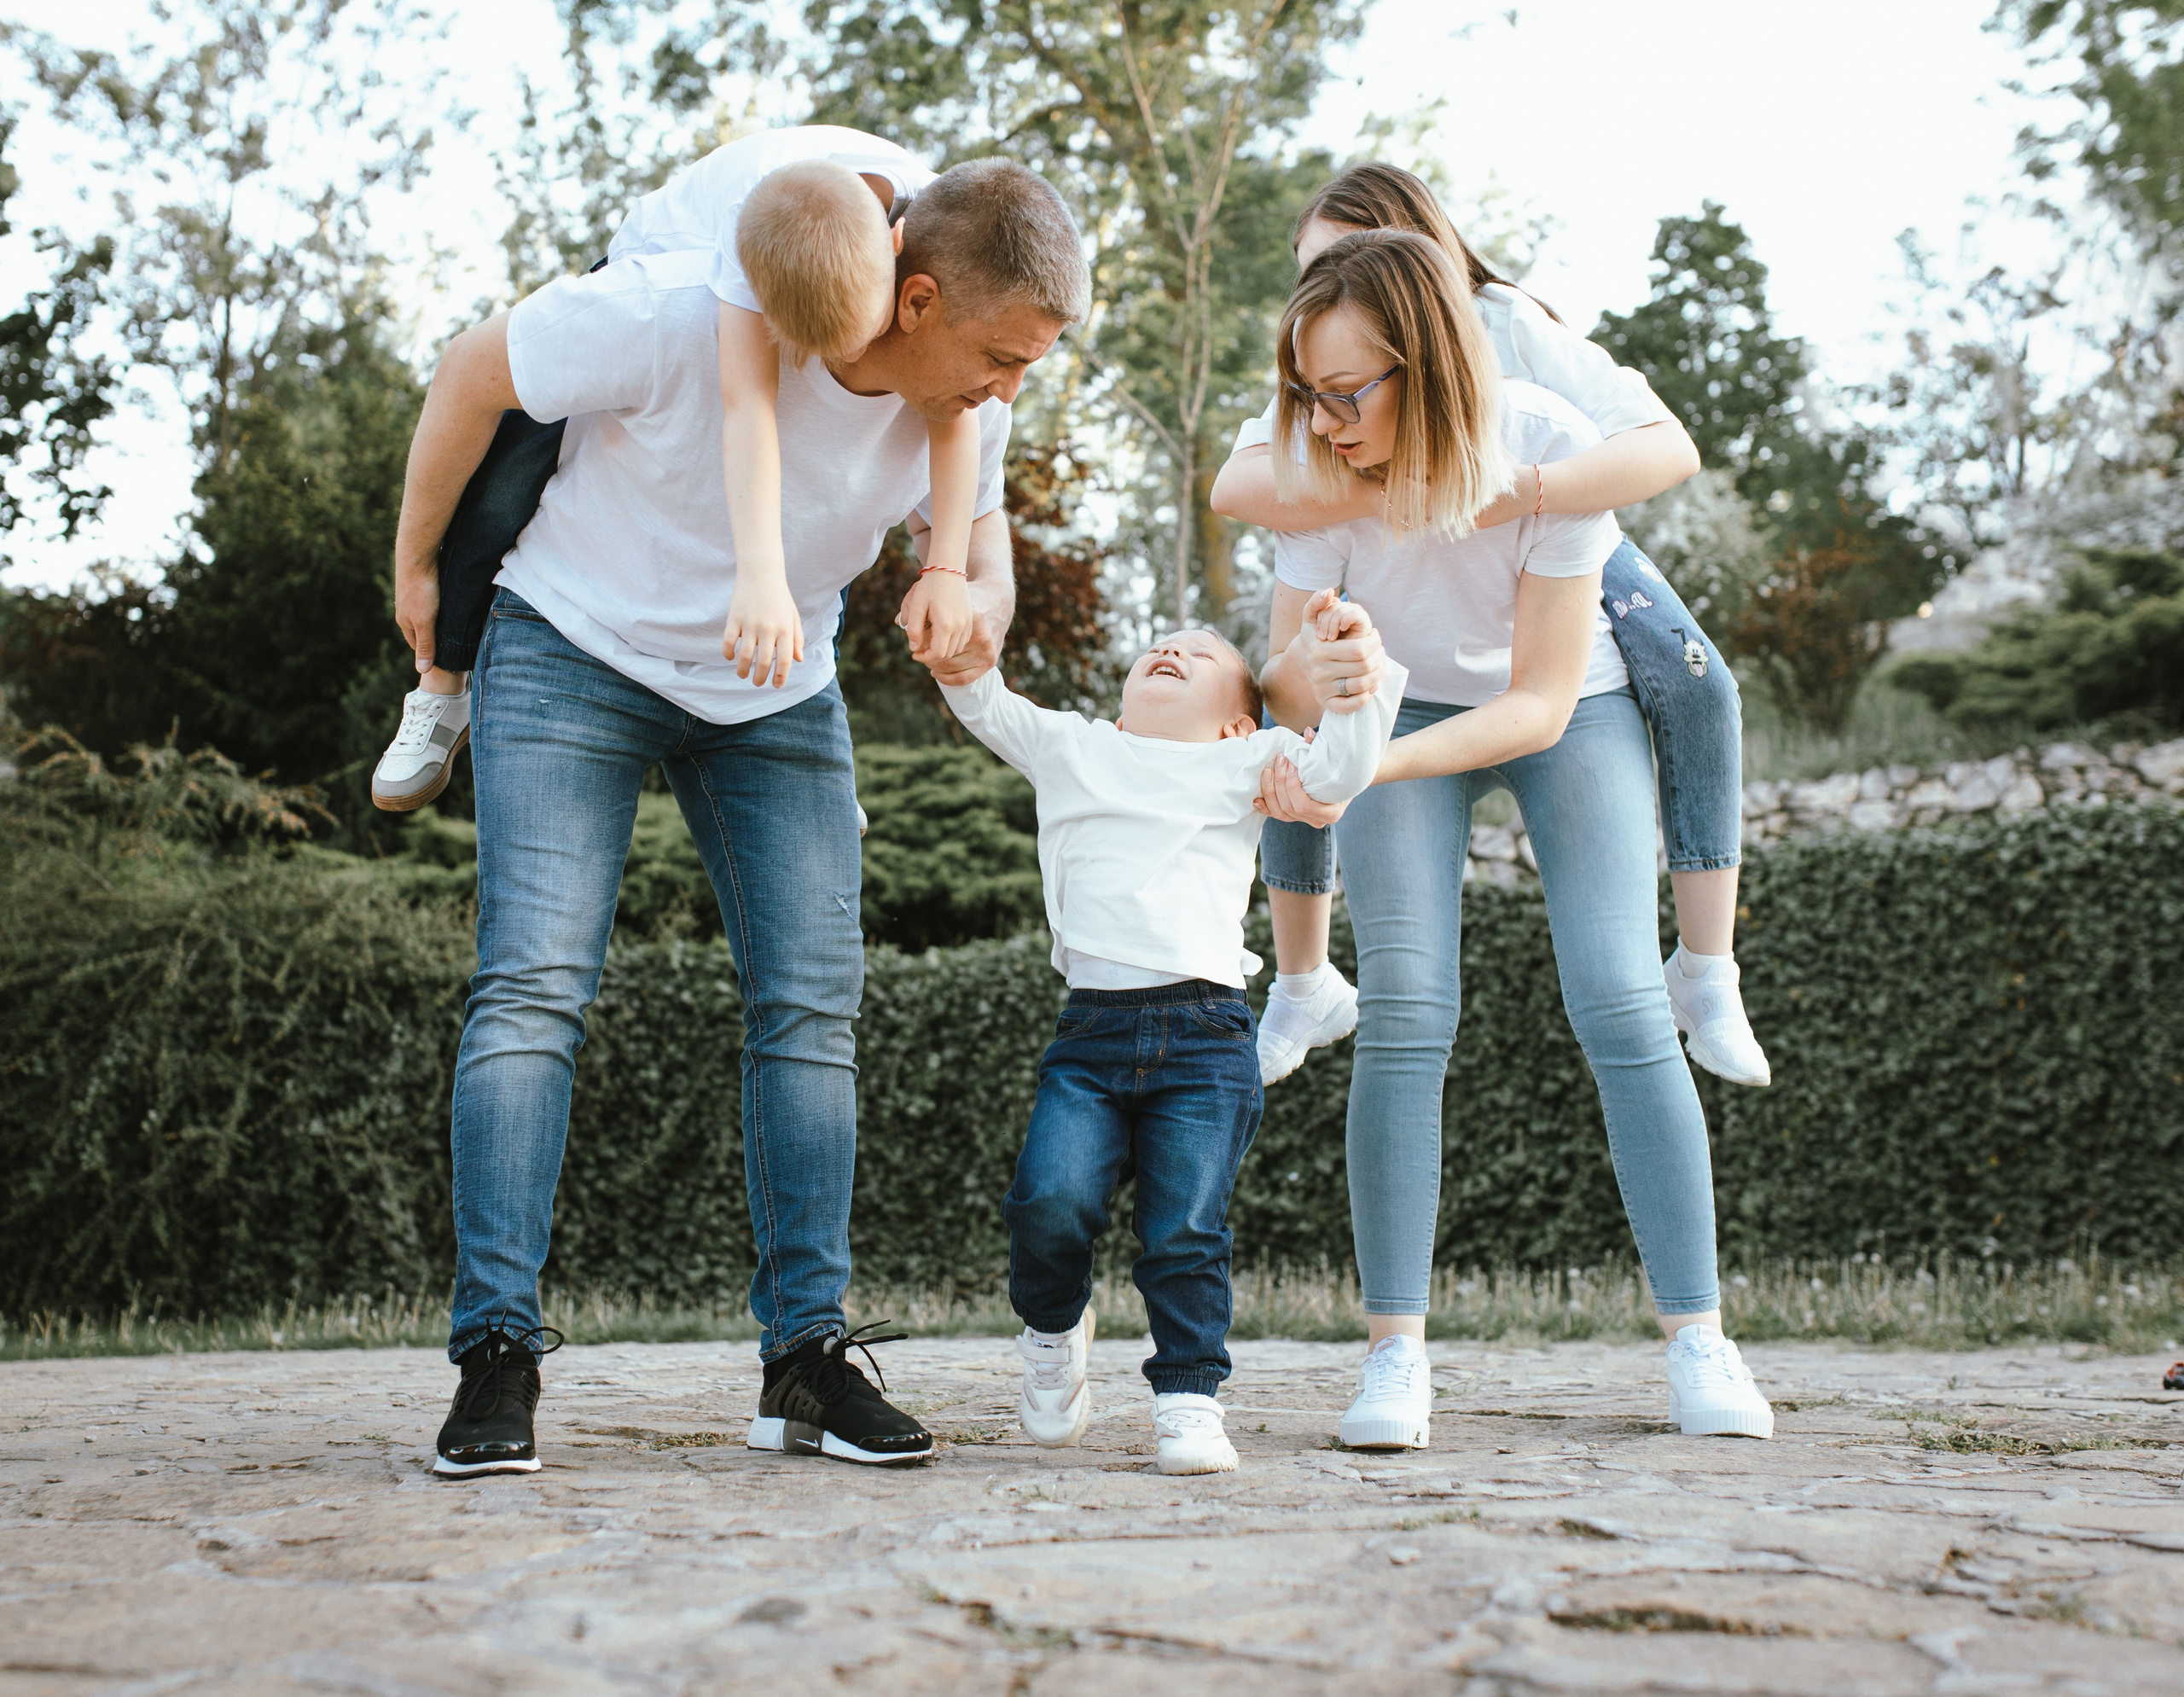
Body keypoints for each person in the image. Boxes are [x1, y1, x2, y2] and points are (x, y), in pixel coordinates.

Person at [390, 158, 1090, 1476]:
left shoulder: (971, 399)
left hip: (777, 690)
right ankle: (495, 1353)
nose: (1010, 389)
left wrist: (971, 606)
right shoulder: (668, 313)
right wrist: (418, 566)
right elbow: (470, 370)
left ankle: (807, 1362)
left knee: (813, 1005)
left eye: (1029, 365)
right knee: (534, 987)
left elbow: (982, 547)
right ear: (919, 298)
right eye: (1001, 355)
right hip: (571, 644)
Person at [1253, 230, 1774, 1450]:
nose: (1324, 422)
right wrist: (1312, 681)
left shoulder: (1542, 439)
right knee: (1408, 1008)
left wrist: (1364, 759)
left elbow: (1536, 704)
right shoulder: (1315, 460)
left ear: (1425, 364)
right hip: (1400, 707)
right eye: (1308, 395)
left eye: (1345, 394)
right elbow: (1283, 678)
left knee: (1618, 996)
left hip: (1566, 700)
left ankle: (1699, 1336)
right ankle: (1395, 1358)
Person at [1211, 162, 1769, 1094]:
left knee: (1695, 677)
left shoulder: (1507, 323)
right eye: (1310, 272)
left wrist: (1515, 491)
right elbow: (1235, 485)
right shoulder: (1334, 377)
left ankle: (1706, 968)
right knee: (1294, 720)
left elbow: (1666, 445)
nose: (1324, 290)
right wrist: (1394, 482)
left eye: (1342, 262)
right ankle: (1301, 977)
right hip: (1415, 547)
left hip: (1552, 531)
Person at [369, 126, 978, 811]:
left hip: (809, 255)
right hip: (674, 262)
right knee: (512, 475)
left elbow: (949, 414)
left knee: (821, 471)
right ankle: (442, 680)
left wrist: (947, 568)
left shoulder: (938, 229)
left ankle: (804, 746)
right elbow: (746, 403)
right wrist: (759, 577)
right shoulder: (727, 261)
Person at [941, 609, 1405, 1475]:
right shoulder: (1076, 747)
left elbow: (1344, 766)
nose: (1169, 651)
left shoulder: (1245, 760)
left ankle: (1188, 1398)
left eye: (1198, 656)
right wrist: (959, 659)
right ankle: (1051, 1328)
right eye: (1158, 647)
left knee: (1185, 1229)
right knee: (1048, 1199)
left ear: (1236, 721)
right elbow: (986, 705)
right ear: (1119, 709)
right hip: (1091, 1031)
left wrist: (1352, 681)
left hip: (1206, 1035)